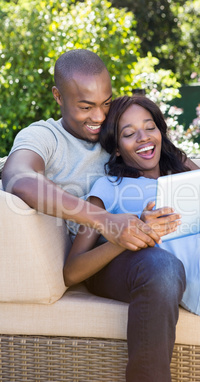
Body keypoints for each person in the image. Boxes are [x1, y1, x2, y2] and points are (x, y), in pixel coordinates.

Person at [63, 95, 200, 382]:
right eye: (129, 133)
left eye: (150, 127)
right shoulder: (107, 189)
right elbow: (72, 271)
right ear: (117, 147)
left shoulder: (184, 173)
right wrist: (129, 233)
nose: (144, 138)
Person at [2, 49, 163, 251]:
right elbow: (19, 177)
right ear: (58, 96)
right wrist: (104, 220)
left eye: (106, 103)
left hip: (139, 248)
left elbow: (174, 158)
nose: (99, 117)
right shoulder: (44, 136)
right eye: (86, 108)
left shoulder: (118, 130)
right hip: (93, 258)